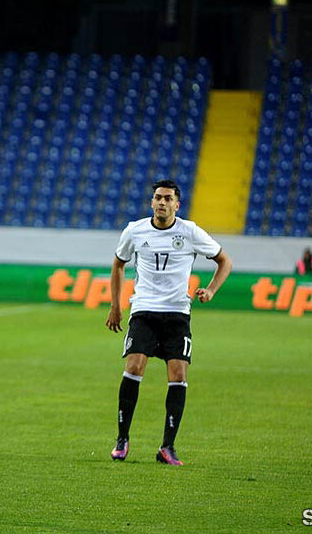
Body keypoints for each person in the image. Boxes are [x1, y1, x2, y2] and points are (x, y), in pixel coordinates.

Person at [105, 179, 233, 466]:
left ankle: (167, 447)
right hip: (144, 310)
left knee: (178, 375)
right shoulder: (134, 230)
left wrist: (211, 290)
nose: (161, 203)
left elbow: (225, 260)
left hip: (177, 313)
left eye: (167, 199)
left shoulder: (190, 232)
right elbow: (118, 264)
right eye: (157, 198)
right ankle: (122, 439)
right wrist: (116, 306)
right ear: (152, 202)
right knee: (134, 366)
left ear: (177, 204)